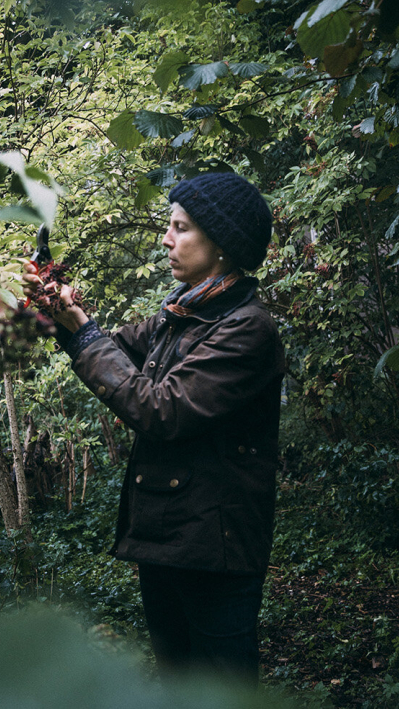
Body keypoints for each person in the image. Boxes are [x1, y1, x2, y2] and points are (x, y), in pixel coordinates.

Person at [24, 172, 285, 687]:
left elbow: (161, 410)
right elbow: (110, 350)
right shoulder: (181, 313)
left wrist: (82, 332)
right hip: (168, 538)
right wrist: (61, 311)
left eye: (180, 227)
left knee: (222, 692)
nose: (166, 238)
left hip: (217, 550)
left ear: (222, 246)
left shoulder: (246, 329)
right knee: (178, 687)